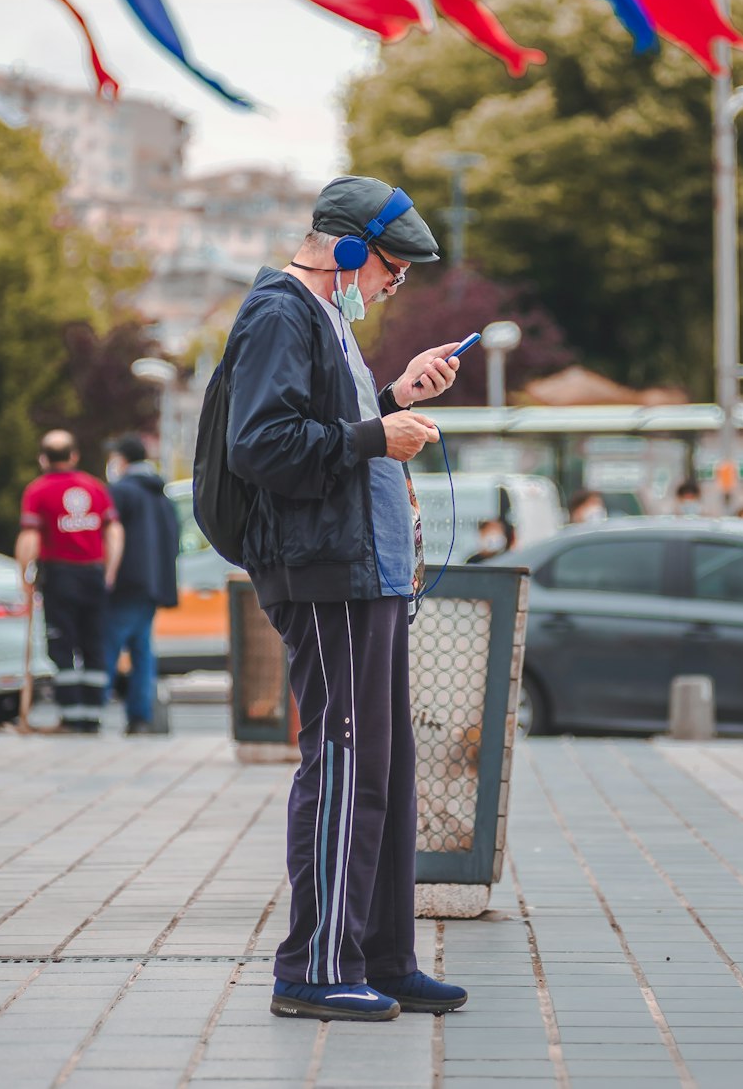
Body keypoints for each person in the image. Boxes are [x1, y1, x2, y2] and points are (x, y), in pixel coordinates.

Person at [221, 174, 468, 1022]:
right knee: (346, 764)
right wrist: (376, 432)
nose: (393, 287)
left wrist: (395, 398)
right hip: (325, 573)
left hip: (366, 574)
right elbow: (262, 443)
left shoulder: (324, 322)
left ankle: (382, 956)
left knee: (384, 768)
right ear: (353, 249)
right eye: (392, 270)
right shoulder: (282, 312)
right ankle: (315, 966)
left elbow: (335, 433)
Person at [16, 430, 123, 734]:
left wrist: (24, 576)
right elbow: (114, 532)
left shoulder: (37, 491)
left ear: (43, 458)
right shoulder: (95, 488)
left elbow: (30, 537)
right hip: (93, 574)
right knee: (93, 645)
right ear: (73, 456)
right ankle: (92, 715)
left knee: (62, 647)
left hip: (60, 576)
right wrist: (110, 570)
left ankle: (72, 716)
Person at [102, 433, 180, 735]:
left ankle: (92, 710)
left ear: (122, 460)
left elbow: (110, 534)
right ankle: (140, 717)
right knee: (142, 650)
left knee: (108, 646)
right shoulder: (161, 495)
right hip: (153, 584)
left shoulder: (121, 492)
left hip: (124, 582)